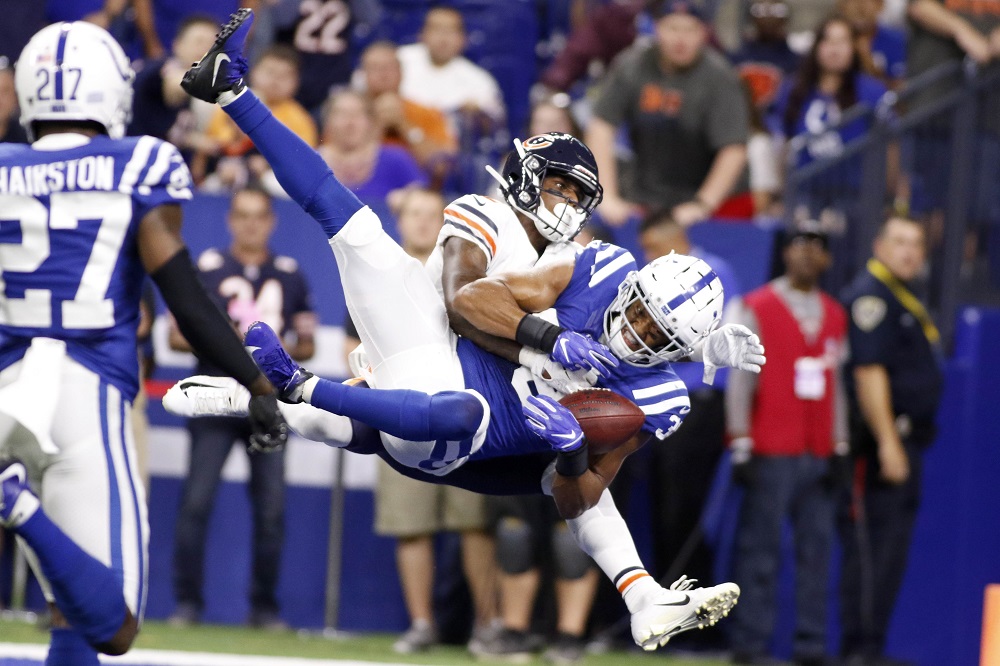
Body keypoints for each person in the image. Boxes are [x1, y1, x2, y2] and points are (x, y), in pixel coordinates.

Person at [169, 8, 766, 651]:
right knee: (357, 229)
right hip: (428, 360)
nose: (641, 333)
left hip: (488, 444)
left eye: (578, 196)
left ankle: (642, 592)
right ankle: (232, 96)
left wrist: (674, 368)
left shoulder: (657, 382)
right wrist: (548, 338)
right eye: (560, 188)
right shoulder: (514, 231)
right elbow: (462, 301)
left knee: (510, 445)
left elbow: (579, 492)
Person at [0, 21, 286, 666]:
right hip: (85, 389)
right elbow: (185, 295)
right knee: (114, 624)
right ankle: (15, 505)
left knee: (66, 614)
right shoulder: (140, 162)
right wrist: (258, 383)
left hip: (8, 381)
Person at [344, 188, 499, 655]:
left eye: (433, 214)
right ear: (400, 218)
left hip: (462, 411)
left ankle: (487, 624)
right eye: (414, 212)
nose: (423, 222)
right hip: (399, 414)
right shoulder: (379, 274)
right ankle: (420, 623)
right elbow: (352, 349)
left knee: (474, 524)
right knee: (410, 523)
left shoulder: (465, 271)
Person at [167, 186, 316, 629]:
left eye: (259, 216)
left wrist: (273, 353)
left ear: (271, 222)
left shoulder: (290, 275)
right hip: (215, 397)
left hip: (267, 403)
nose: (251, 224)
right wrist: (230, 346)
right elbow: (176, 336)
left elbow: (306, 343)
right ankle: (187, 604)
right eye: (243, 216)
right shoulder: (208, 269)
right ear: (231, 220)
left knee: (271, 509)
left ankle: (264, 607)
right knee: (197, 501)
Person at [726, 225, 848, 666]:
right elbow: (739, 381)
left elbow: (837, 387)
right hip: (771, 446)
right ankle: (750, 644)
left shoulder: (834, 313)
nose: (807, 254)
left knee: (817, 552)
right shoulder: (756, 306)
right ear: (785, 254)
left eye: (817, 247)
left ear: (827, 259)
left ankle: (811, 645)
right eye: (799, 245)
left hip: (817, 448)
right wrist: (741, 441)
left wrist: (839, 443)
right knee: (761, 551)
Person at [838, 216, 942, 666]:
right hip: (879, 446)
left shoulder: (902, 295)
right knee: (872, 546)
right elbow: (868, 372)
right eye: (899, 241)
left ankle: (872, 645)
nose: (909, 251)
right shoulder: (871, 296)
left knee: (891, 548)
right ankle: (859, 649)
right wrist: (887, 442)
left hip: (904, 441)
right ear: (878, 244)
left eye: (916, 243)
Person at [587, 0, 750, 228]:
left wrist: (703, 204)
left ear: (704, 33)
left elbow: (733, 149)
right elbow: (601, 126)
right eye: (672, 28)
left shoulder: (720, 77)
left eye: (690, 30)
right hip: (648, 195)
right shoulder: (633, 64)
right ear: (656, 29)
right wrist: (607, 196)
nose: (680, 39)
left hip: (713, 201)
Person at [355, 41, 458, 176]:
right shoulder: (349, 113)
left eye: (388, 68)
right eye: (375, 68)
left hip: (416, 188)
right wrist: (379, 126)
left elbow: (441, 166)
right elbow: (343, 163)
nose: (383, 75)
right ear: (363, 75)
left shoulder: (426, 112)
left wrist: (403, 124)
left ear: (401, 72)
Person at [396, 6, 506, 129]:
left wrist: (476, 116)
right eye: (436, 29)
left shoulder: (480, 81)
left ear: (463, 39)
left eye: (451, 31)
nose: (443, 38)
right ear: (422, 34)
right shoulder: (397, 60)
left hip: (451, 145)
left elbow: (495, 129)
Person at [127, 14, 218, 144]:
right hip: (133, 153)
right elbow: (174, 83)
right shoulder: (161, 68)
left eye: (212, 45)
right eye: (199, 41)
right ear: (177, 45)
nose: (205, 49)